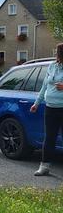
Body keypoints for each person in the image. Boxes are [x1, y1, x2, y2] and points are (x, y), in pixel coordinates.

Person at [30, 43, 63, 175]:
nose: (57, 55)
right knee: (49, 138)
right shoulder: (52, 66)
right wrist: (36, 103)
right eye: (57, 53)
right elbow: (44, 86)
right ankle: (44, 167)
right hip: (50, 108)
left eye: (58, 53)